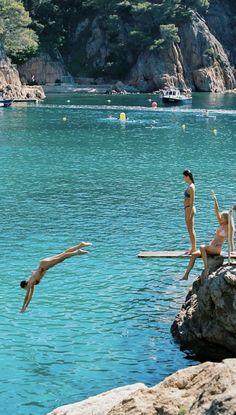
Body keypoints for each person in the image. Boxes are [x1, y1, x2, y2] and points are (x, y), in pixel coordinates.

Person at [20, 242, 92, 313]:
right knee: (63, 254)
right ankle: (80, 245)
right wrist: (26, 307)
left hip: (44, 266)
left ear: (25, 286)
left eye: (25, 289)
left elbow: (27, 297)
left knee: (62, 258)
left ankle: (77, 252)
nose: (26, 290)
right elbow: (30, 297)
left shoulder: (30, 284)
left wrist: (23, 307)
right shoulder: (31, 282)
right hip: (43, 263)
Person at [181, 192, 234, 281]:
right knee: (194, 254)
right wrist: (215, 200)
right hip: (210, 247)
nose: (220, 218)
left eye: (222, 217)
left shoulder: (229, 228)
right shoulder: (221, 224)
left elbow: (231, 237)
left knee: (202, 247)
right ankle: (186, 275)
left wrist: (231, 212)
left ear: (226, 219)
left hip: (216, 249)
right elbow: (216, 212)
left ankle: (206, 268)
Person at [183, 169, 197, 254]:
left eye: (184, 176)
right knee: (190, 229)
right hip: (187, 208)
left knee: (191, 229)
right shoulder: (190, 185)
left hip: (189, 209)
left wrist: (189, 213)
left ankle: (193, 249)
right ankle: (192, 247)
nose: (183, 178)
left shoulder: (191, 187)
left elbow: (192, 201)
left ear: (187, 176)